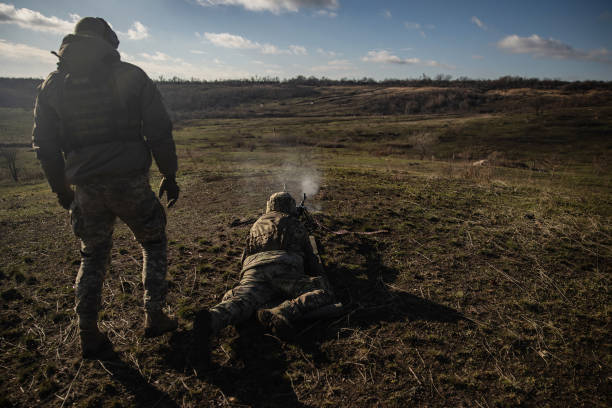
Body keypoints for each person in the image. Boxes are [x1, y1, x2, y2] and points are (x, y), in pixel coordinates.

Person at [32, 17, 180, 359]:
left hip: (85, 186)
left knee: (93, 255)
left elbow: (45, 146)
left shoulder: (52, 85)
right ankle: (155, 316)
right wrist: (169, 175)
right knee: (154, 242)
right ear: (108, 41)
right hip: (129, 180)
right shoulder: (130, 75)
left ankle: (88, 333)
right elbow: (159, 129)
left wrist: (61, 191)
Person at [194, 192, 341, 363]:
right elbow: (311, 258)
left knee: (243, 299)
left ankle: (213, 318)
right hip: (285, 269)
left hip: (253, 270)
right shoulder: (295, 222)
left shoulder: (255, 225)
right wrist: (321, 276)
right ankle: (283, 311)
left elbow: (243, 259)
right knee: (324, 292)